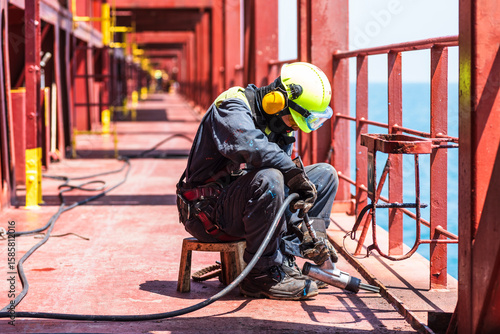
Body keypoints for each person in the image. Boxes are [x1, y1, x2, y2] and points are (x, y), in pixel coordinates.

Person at [176, 62, 339, 300]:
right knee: (271, 178)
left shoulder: (279, 125)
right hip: (209, 214)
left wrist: (307, 228)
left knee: (324, 175)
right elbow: (250, 146)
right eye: (293, 120)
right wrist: (292, 175)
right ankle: (261, 276)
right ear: (276, 101)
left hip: (242, 207)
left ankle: (288, 258)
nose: (293, 127)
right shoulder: (231, 106)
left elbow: (285, 181)